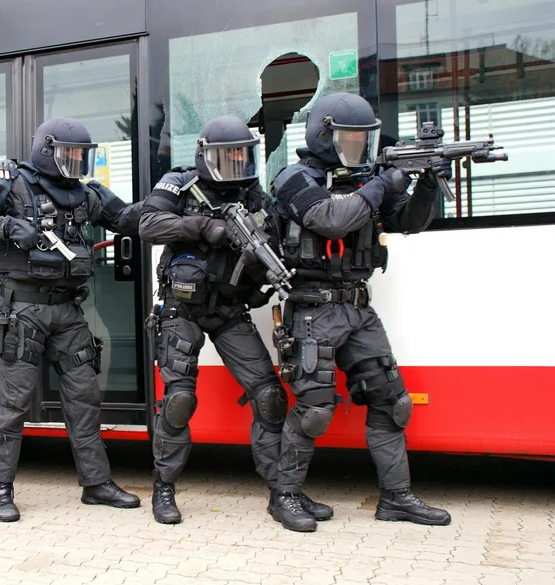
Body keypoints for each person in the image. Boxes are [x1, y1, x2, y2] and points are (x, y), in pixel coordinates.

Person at [266, 92, 452, 532]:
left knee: (392, 401)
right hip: (313, 310)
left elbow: (408, 221)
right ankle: (285, 495)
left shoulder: (367, 180)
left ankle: (396, 497)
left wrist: (426, 184)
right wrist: (385, 182)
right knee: (314, 408)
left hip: (357, 308)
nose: (358, 147)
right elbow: (331, 219)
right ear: (323, 136)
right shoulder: (294, 179)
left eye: (363, 139)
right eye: (349, 138)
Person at [137, 115, 327, 525]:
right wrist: (205, 227)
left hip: (228, 311)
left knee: (269, 396)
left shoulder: (254, 197)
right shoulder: (180, 182)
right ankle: (164, 488)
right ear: (206, 156)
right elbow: (148, 224)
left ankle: (283, 491)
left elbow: (275, 243)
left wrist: (258, 262)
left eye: (243, 155)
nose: (237, 162)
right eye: (229, 156)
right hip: (181, 309)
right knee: (179, 400)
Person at [0, 116, 142, 522]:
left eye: (80, 155)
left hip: (68, 310)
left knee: (84, 397)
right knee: (15, 401)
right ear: (46, 150)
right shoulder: (11, 182)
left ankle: (96, 483)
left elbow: (126, 219)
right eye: (68, 153)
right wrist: (8, 226)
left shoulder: (86, 194)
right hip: (24, 308)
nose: (75, 161)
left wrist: (166, 197)